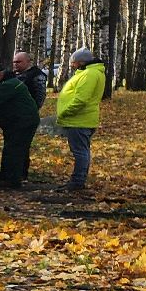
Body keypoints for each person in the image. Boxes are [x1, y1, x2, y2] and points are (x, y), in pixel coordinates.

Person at [54, 47, 106, 193]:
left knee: (80, 152)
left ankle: (77, 182)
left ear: (82, 62)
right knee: (82, 151)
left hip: (79, 119)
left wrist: (65, 112)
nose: (72, 66)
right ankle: (77, 180)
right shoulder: (91, 72)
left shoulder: (89, 74)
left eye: (74, 63)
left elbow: (81, 99)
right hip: (81, 118)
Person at [0, 65, 39, 188]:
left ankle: (11, 180)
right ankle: (13, 175)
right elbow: (7, 104)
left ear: (0, 75)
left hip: (21, 121)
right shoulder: (11, 82)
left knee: (13, 149)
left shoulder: (8, 85)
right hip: (22, 120)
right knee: (18, 149)